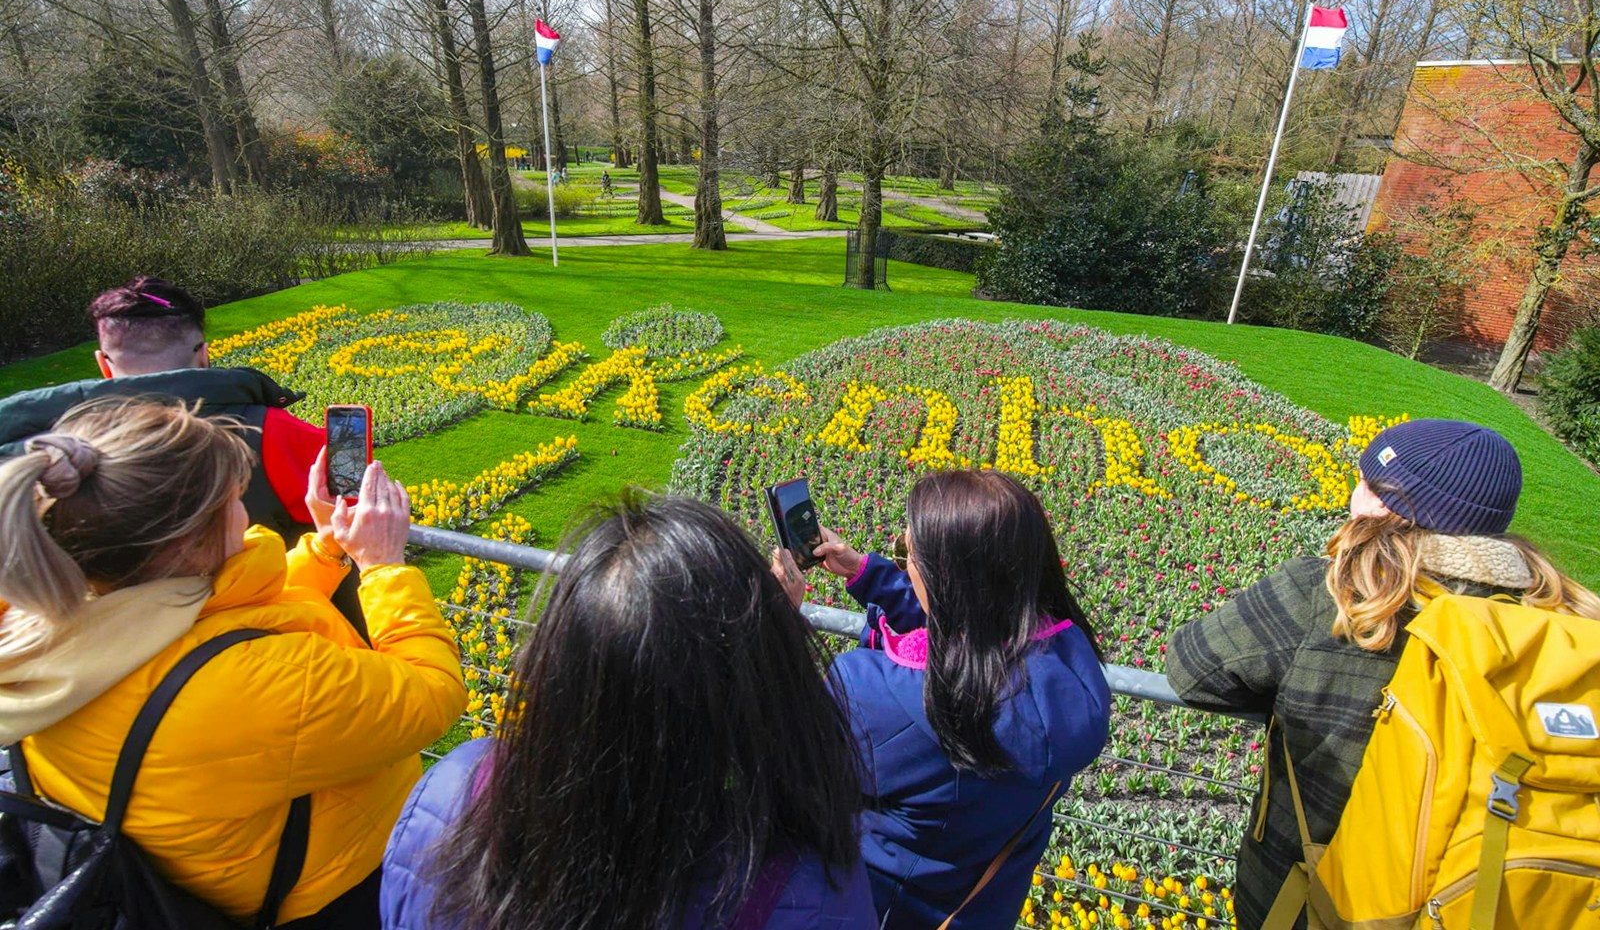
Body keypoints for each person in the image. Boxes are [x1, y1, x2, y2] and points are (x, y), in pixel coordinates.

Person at [0, 397, 467, 928]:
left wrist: (327, 549)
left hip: (178, 870)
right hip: (316, 897)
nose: (244, 512)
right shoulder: (254, 684)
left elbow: (226, 624)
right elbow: (433, 692)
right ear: (192, 542)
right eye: (233, 499)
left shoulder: (46, 614)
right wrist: (383, 567)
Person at [1166, 419, 1600, 930]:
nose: (1355, 491)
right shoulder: (1566, 622)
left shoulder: (1332, 595)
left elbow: (1190, 669)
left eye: (1368, 482)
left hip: (1314, 900)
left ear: (1387, 507)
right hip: (1494, 903)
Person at [380, 493, 875, 930]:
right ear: (740, 692)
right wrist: (776, 640)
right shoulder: (808, 888)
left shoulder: (452, 794)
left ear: (560, 661)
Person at [776, 469, 1111, 930]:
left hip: (879, 907)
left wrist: (777, 626)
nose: (902, 562)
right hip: (980, 908)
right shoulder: (1074, 668)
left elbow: (784, 758)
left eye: (906, 555)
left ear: (944, 579)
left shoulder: (872, 695)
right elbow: (971, 626)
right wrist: (868, 574)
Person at [0, 277, 365, 636]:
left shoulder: (47, 458)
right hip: (281, 639)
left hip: (107, 645)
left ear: (104, 365)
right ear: (203, 353)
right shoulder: (277, 433)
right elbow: (355, 523)